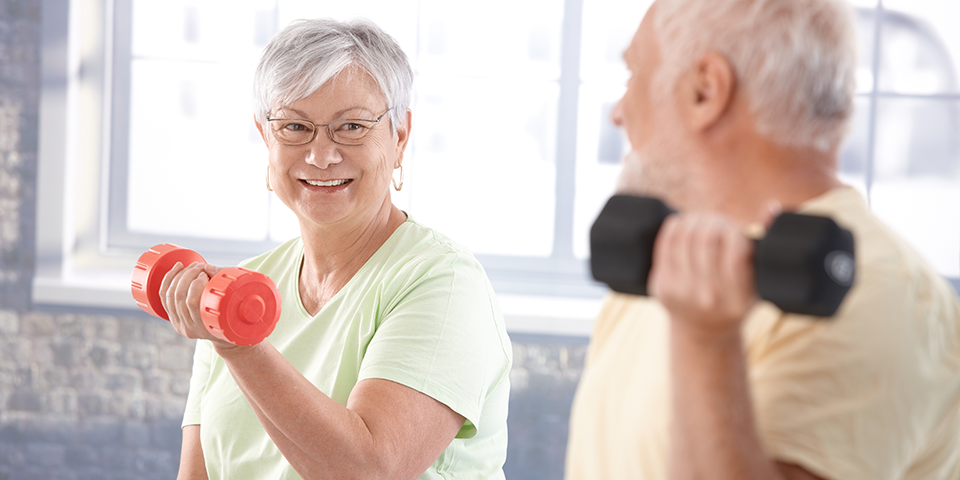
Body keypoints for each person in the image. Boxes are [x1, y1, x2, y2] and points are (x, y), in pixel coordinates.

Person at [565, 0, 960, 479]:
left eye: (633, 76)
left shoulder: (876, 293)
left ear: (705, 91)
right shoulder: (673, 264)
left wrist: (706, 342)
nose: (618, 113)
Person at [160, 18, 512, 480]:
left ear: (399, 136)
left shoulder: (443, 283)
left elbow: (369, 469)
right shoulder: (240, 288)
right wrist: (231, 339)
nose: (321, 155)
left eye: (351, 126)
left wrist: (242, 348)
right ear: (266, 138)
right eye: (295, 126)